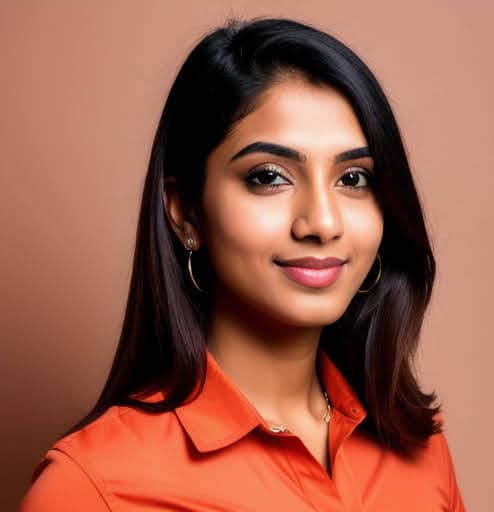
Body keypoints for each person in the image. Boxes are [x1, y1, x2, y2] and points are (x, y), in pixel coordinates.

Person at [19, 17, 466, 511]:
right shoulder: (90, 487)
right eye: (270, 176)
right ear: (185, 211)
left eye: (354, 178)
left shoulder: (420, 449)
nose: (322, 221)